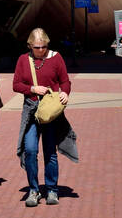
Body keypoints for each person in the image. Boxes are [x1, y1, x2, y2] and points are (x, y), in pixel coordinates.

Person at [13, 28, 78, 206]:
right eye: (36, 47)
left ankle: (52, 190)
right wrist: (32, 89)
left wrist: (65, 92)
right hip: (31, 112)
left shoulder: (56, 58)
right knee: (31, 150)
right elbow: (16, 84)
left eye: (43, 46)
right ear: (30, 46)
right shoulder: (23, 60)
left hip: (49, 113)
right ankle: (33, 190)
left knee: (50, 152)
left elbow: (65, 80)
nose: (40, 50)